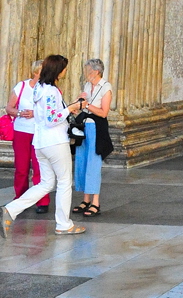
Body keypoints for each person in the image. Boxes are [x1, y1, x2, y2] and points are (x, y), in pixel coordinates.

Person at [1, 54, 86, 237]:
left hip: (40, 142)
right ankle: (64, 224)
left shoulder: (39, 88)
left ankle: (10, 210)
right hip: (54, 141)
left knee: (46, 183)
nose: (65, 72)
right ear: (58, 70)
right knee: (64, 182)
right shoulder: (51, 91)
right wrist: (72, 108)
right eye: (64, 68)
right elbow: (52, 119)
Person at [6, 59, 49, 214]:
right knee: (21, 167)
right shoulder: (22, 86)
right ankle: (20, 198)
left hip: (39, 132)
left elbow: (51, 110)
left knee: (40, 167)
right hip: (22, 131)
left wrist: (35, 113)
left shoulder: (48, 88)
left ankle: (42, 201)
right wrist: (19, 113)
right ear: (36, 71)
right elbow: (9, 107)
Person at [72, 59, 114, 218]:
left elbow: (104, 112)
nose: (86, 73)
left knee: (93, 163)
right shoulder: (87, 86)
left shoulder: (106, 87)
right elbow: (82, 105)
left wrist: (87, 105)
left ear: (96, 71)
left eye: (88, 70)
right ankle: (85, 199)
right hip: (84, 127)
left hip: (97, 128)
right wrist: (78, 103)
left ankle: (96, 201)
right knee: (82, 161)